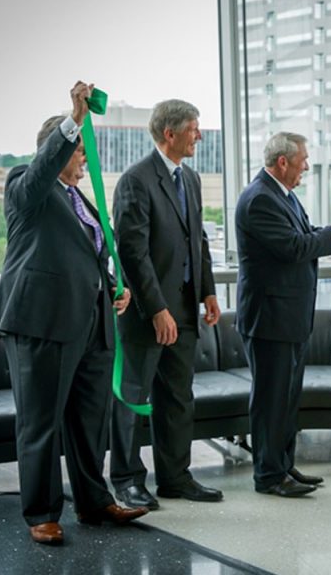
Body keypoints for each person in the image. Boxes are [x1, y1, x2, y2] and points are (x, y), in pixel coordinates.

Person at [0, 81, 148, 544]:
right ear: (59, 152)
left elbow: (91, 255)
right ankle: (41, 513)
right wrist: (73, 121)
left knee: (87, 424)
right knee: (39, 423)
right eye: (80, 154)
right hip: (40, 325)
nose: (85, 162)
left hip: (92, 326)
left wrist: (117, 289)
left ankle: (95, 502)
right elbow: (41, 174)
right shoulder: (25, 185)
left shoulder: (84, 202)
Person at [235, 132, 331, 497]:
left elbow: (307, 234)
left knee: (286, 400)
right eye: (303, 160)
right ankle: (268, 476)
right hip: (269, 320)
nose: (306, 167)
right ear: (282, 162)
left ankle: (283, 467)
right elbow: (295, 247)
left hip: (289, 319)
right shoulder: (258, 200)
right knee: (271, 403)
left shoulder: (282, 195)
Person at [110, 99, 222, 508]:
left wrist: (208, 290)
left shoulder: (189, 178)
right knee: (133, 400)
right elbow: (132, 253)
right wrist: (157, 309)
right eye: (194, 128)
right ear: (169, 133)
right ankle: (126, 480)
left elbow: (200, 241)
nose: (200, 135)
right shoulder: (136, 180)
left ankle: (175, 478)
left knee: (178, 398)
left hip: (187, 309)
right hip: (147, 314)